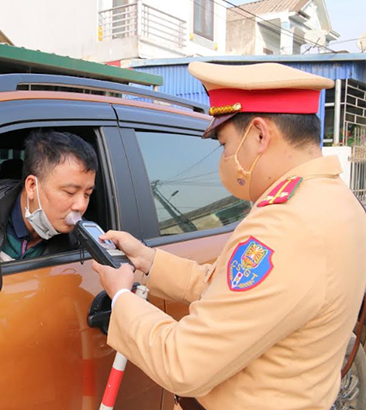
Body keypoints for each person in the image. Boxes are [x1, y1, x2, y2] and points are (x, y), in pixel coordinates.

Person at [92, 62, 366, 410]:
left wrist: (121, 299)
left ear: (260, 135)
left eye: (224, 145)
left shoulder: (285, 227)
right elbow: (227, 290)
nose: (223, 159)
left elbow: (184, 362)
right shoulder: (337, 200)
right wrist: (148, 261)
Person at [0, 128, 97, 261]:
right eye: (70, 192)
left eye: (87, 194)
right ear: (31, 186)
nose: (81, 205)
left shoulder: (81, 242)